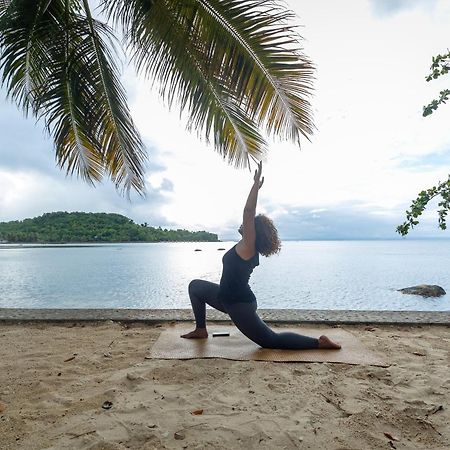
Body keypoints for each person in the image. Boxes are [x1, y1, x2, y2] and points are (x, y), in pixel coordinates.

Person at [181, 162, 341, 350]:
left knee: (269, 341)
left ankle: (318, 343)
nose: (243, 225)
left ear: (253, 232)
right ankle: (201, 329)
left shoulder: (249, 246)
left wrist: (255, 186)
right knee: (195, 287)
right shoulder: (245, 246)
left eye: (249, 225)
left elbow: (248, 211)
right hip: (224, 297)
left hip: (239, 303)